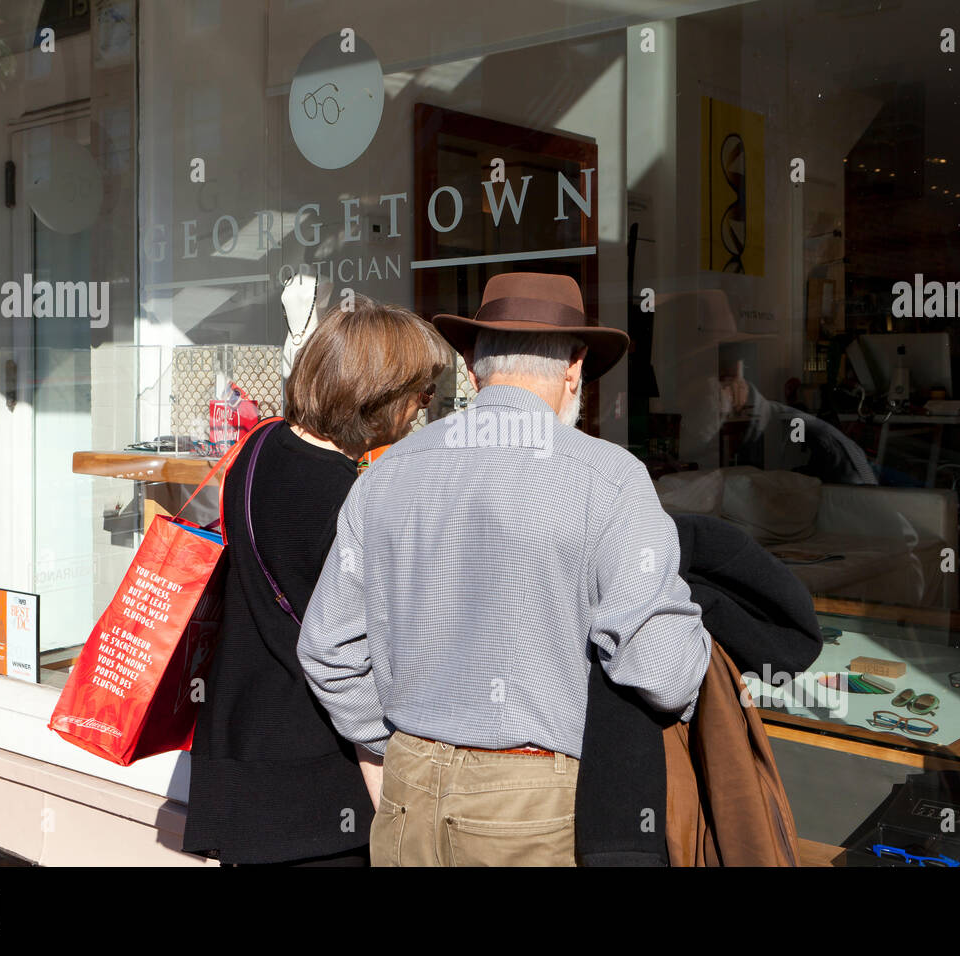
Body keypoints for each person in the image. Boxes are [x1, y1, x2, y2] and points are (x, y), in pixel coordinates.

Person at [297, 272, 712, 866]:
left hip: (408, 791)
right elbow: (662, 671)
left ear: (471, 367)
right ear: (575, 367)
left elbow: (327, 650)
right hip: (532, 802)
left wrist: (401, 748)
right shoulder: (610, 476)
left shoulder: (384, 472)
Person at [182, 296, 452, 866]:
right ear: (377, 395)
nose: (423, 410)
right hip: (315, 783)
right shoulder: (350, 501)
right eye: (421, 394)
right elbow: (358, 656)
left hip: (240, 752)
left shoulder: (259, 447)